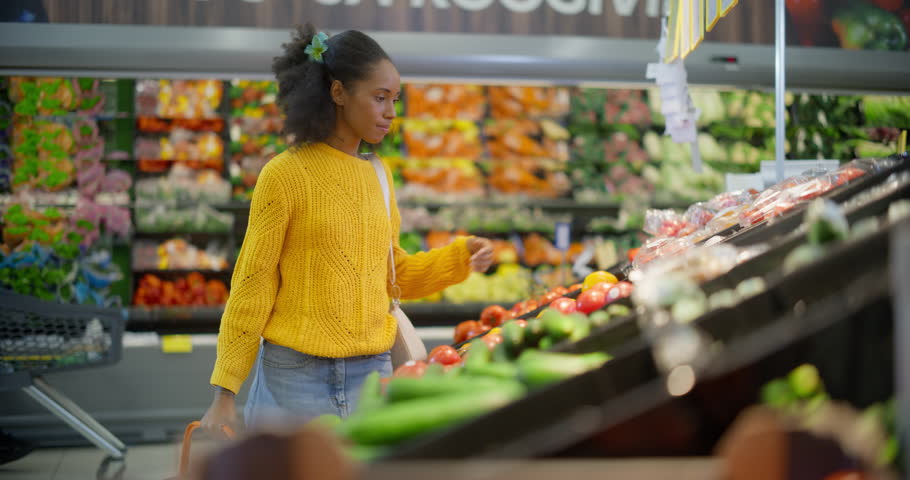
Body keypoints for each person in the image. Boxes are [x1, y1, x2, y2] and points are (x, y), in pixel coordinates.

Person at [201, 24, 493, 434]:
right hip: (295, 375)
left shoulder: (379, 175)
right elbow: (254, 284)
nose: (391, 111)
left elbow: (394, 274)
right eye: (379, 98)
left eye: (395, 99)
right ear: (338, 93)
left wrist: (460, 258)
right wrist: (225, 391)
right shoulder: (284, 174)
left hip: (372, 375)